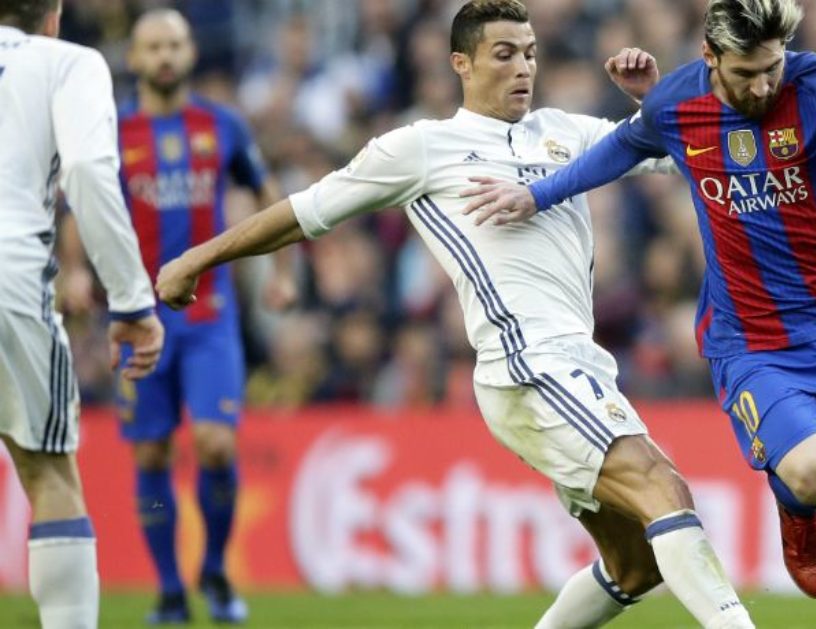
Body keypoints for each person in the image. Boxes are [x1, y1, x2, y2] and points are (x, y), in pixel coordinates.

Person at [155, 2, 754, 627]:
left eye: (529, 54)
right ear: (460, 64)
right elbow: (304, 212)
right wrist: (198, 258)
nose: (523, 68)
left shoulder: (566, 132)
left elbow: (686, 150)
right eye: (504, 54)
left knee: (636, 564)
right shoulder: (422, 148)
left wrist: (654, 101)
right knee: (662, 488)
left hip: (577, 363)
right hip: (527, 364)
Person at [460, 0, 816, 626]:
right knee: (815, 471)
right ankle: (798, 509)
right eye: (745, 73)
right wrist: (536, 195)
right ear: (710, 56)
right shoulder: (676, 104)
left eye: (771, 69)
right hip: (754, 340)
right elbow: (616, 152)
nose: (761, 86)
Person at [106, 9, 294, 625]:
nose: (165, 55)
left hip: (210, 317)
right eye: (153, 46)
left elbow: (267, 194)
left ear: (189, 53)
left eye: (175, 44)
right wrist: (77, 272)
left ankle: (214, 567)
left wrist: (282, 272)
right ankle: (168, 589)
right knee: (151, 455)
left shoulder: (222, 125)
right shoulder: (112, 131)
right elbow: (84, 208)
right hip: (137, 315)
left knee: (214, 445)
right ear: (134, 57)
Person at [0, 0, 165, 627]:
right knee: (48, 473)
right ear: (54, 15)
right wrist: (131, 299)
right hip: (11, 274)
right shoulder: (69, 62)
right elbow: (89, 171)